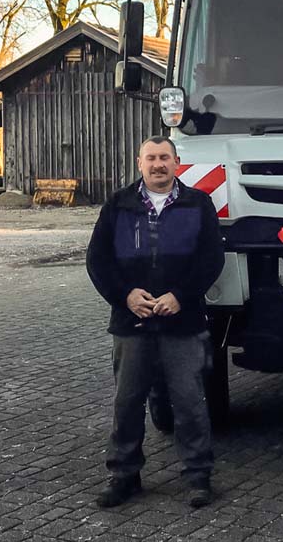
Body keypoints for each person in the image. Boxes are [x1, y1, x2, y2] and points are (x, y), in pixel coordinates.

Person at [86, 135, 225, 509]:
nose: (158, 164)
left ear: (176, 163)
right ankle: (124, 476)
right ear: (139, 163)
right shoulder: (118, 204)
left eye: (165, 157)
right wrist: (125, 296)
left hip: (183, 321)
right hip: (131, 323)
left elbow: (211, 259)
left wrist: (181, 295)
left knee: (190, 403)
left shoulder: (199, 203)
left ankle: (198, 477)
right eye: (151, 158)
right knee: (127, 403)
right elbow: (98, 261)